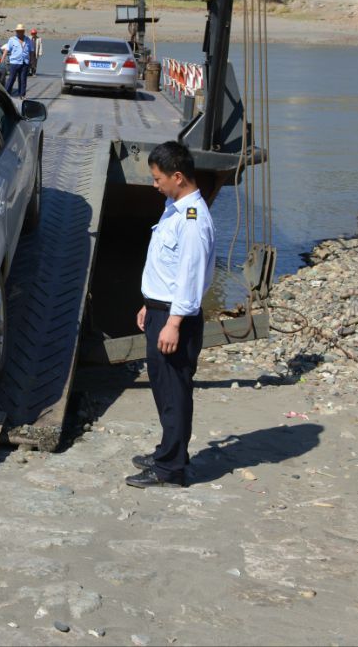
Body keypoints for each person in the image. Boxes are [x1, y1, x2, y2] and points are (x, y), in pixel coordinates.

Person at [126, 140, 214, 489]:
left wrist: (174, 323)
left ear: (177, 177)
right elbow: (169, 267)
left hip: (176, 320)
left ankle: (170, 470)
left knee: (175, 393)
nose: (154, 183)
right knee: (164, 390)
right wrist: (151, 302)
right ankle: (169, 451)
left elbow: (191, 277)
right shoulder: (174, 208)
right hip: (162, 312)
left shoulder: (192, 221)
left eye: (158, 177)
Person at [1, 24, 31, 98]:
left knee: (23, 79)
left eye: (21, 31)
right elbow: (7, 49)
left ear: (23, 31)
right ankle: (7, 94)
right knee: (11, 78)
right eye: (18, 31)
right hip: (14, 62)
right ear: (16, 32)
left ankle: (22, 95)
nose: (19, 32)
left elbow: (32, 51)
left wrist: (32, 61)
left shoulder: (28, 40)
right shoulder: (12, 40)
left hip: (25, 62)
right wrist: (2, 59)